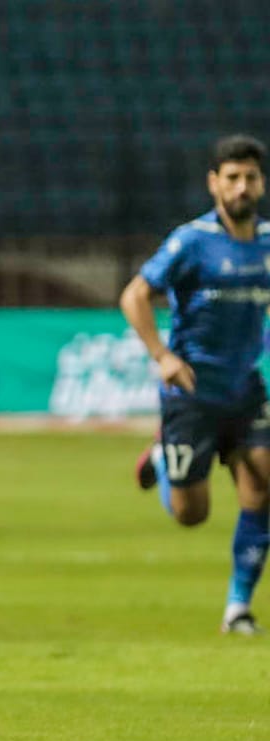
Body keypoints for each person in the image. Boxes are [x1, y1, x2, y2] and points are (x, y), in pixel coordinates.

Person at [122, 134, 270, 636]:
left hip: (245, 389)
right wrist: (162, 356)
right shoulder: (191, 242)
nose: (242, 186)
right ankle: (164, 458)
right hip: (191, 393)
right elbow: (134, 296)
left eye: (250, 177)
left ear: (262, 183)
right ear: (214, 183)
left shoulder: (267, 242)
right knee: (192, 514)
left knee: (263, 485)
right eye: (232, 177)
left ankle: (237, 608)